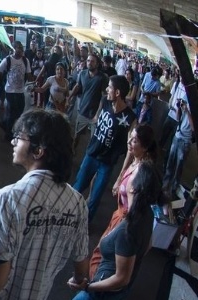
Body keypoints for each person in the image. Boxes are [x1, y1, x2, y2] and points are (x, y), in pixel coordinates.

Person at [0, 109, 89, 300]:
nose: (13, 142)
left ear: (38, 151)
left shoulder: (8, 198)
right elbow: (81, 269)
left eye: (19, 138)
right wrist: (78, 280)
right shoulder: (78, 203)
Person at [69, 162, 161, 299]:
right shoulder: (148, 213)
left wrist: (88, 287)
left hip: (103, 293)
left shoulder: (128, 230)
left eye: (132, 174)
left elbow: (121, 278)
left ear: (134, 188)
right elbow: (148, 245)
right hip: (116, 290)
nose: (128, 175)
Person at [87, 124, 157, 279]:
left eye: (134, 141)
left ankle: (96, 286)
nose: (129, 142)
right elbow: (128, 159)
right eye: (130, 137)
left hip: (124, 221)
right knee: (101, 253)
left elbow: (134, 215)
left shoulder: (140, 173)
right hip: (119, 216)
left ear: (144, 147)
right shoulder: (136, 159)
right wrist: (119, 180)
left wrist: (125, 242)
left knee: (103, 255)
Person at [73, 75, 137, 222]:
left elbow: (130, 149)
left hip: (107, 163)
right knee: (77, 187)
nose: (107, 89)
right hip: (91, 154)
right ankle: (67, 212)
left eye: (109, 87)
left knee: (95, 197)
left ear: (118, 93)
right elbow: (96, 119)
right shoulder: (104, 101)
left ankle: (85, 225)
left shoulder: (131, 118)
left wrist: (121, 175)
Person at [0, 41, 33, 141]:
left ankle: (4, 124)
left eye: (22, 48)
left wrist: (33, 84)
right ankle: (8, 134)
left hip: (20, 90)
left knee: (19, 111)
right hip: (10, 91)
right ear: (14, 49)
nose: (20, 50)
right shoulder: (7, 60)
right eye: (18, 48)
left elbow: (28, 74)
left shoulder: (25, 60)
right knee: (11, 112)